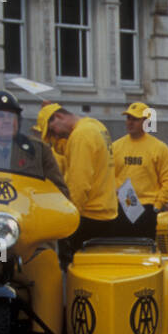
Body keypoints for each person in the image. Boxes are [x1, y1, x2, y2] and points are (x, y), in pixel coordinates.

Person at [0, 92, 70, 197]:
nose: (7, 121)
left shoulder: (38, 150)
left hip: (28, 214)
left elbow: (60, 193)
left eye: (11, 116)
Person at [39, 101, 115, 253]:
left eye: (52, 131)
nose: (55, 135)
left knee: (76, 270)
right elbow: (65, 151)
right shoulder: (95, 126)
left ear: (58, 116)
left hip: (88, 216)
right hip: (105, 213)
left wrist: (70, 220)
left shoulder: (80, 136)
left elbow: (79, 184)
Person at [111, 101, 168, 238]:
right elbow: (108, 177)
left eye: (135, 119)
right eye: (128, 118)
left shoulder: (159, 148)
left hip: (147, 208)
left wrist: (157, 205)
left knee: (145, 252)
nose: (130, 122)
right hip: (121, 207)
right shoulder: (115, 147)